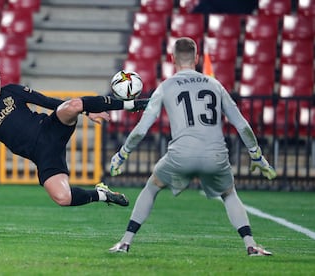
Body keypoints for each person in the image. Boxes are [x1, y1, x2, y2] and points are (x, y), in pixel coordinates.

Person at [108, 37, 276, 256]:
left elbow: (141, 129)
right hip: (216, 155)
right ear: (196, 58)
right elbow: (242, 125)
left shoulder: (165, 86)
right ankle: (250, 245)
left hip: (181, 155)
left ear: (172, 58)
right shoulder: (215, 84)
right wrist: (257, 157)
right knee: (229, 193)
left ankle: (125, 242)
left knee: (153, 186)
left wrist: (122, 155)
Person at [0, 61, 149, 210]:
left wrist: (86, 111)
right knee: (63, 198)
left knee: (74, 105)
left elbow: (46, 101)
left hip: (51, 128)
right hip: (43, 155)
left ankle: (132, 105)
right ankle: (102, 194)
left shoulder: (11, 91)